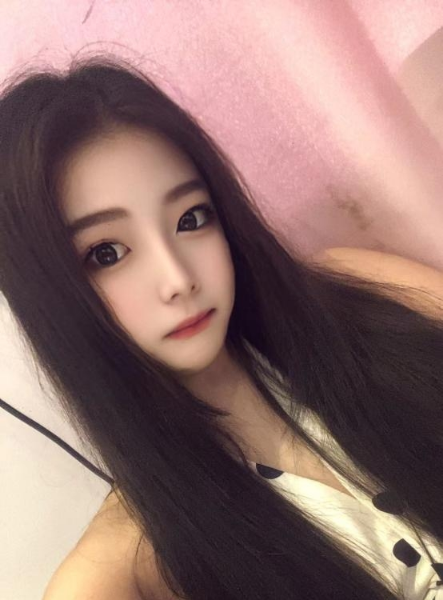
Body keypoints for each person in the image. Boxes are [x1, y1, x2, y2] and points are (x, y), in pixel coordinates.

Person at [0, 54, 442, 600]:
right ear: (49, 292)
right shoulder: (122, 573)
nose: (177, 280)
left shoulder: (358, 293)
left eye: (190, 218)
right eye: (106, 253)